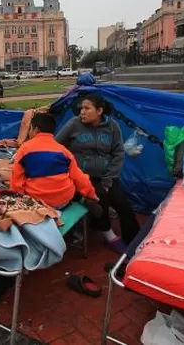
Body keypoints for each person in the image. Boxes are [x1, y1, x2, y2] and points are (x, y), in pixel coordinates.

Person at [55, 93, 140, 253]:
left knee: (123, 205)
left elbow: (118, 153)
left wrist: (108, 179)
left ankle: (134, 241)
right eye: (81, 109)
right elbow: (55, 146)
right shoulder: (73, 124)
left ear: (99, 110)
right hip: (82, 178)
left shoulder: (112, 126)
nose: (82, 112)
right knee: (100, 197)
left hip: (107, 176)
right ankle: (109, 234)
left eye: (87, 108)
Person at [11, 113, 98, 208]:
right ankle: (83, 199)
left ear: (35, 130)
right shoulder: (63, 151)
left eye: (30, 129)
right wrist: (91, 194)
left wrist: (18, 200)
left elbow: (16, 180)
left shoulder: (24, 149)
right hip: (62, 201)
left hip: (37, 202)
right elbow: (79, 177)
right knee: (73, 182)